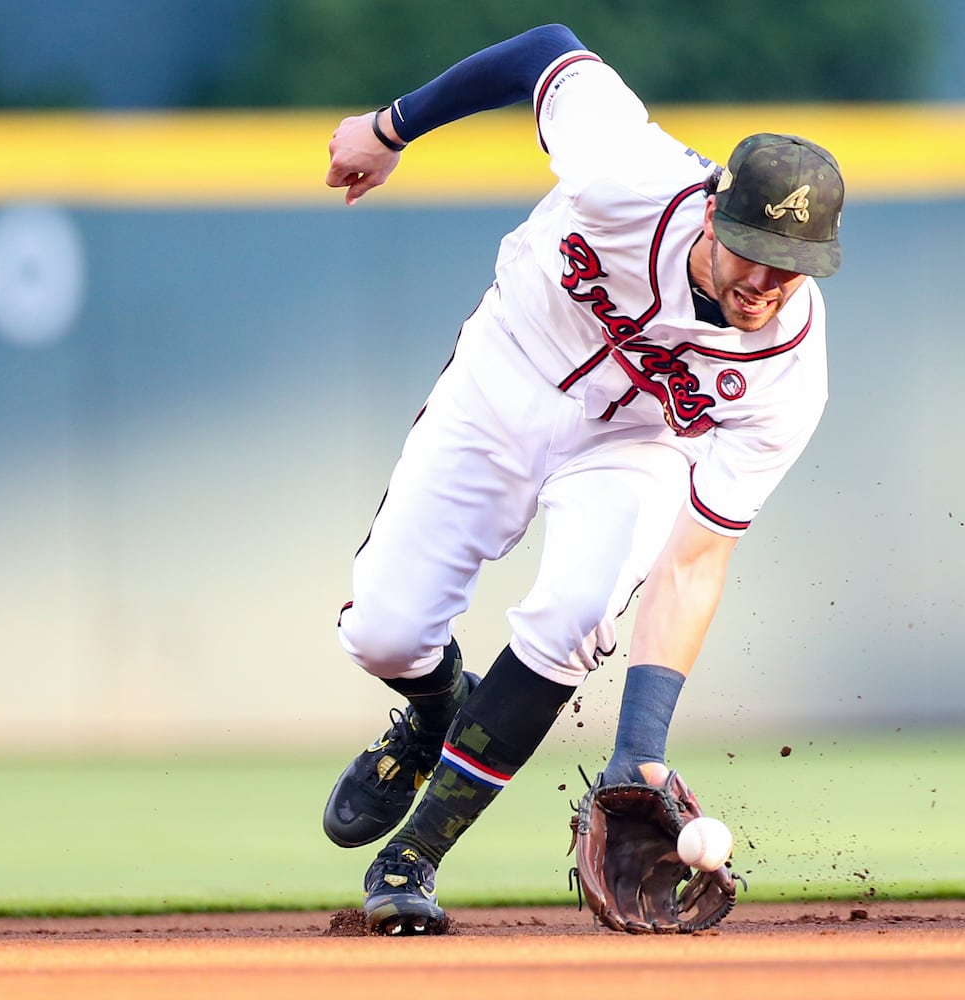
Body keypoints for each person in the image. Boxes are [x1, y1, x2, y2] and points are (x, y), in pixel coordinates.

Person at [320, 23, 843, 936]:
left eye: (792, 266)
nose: (765, 281)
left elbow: (694, 560)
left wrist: (640, 749)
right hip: (505, 375)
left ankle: (415, 856)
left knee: (575, 616)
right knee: (384, 634)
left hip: (634, 446)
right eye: (751, 247)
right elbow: (544, 49)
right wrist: (392, 127)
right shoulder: (628, 172)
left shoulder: (789, 368)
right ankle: (439, 707)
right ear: (716, 211)